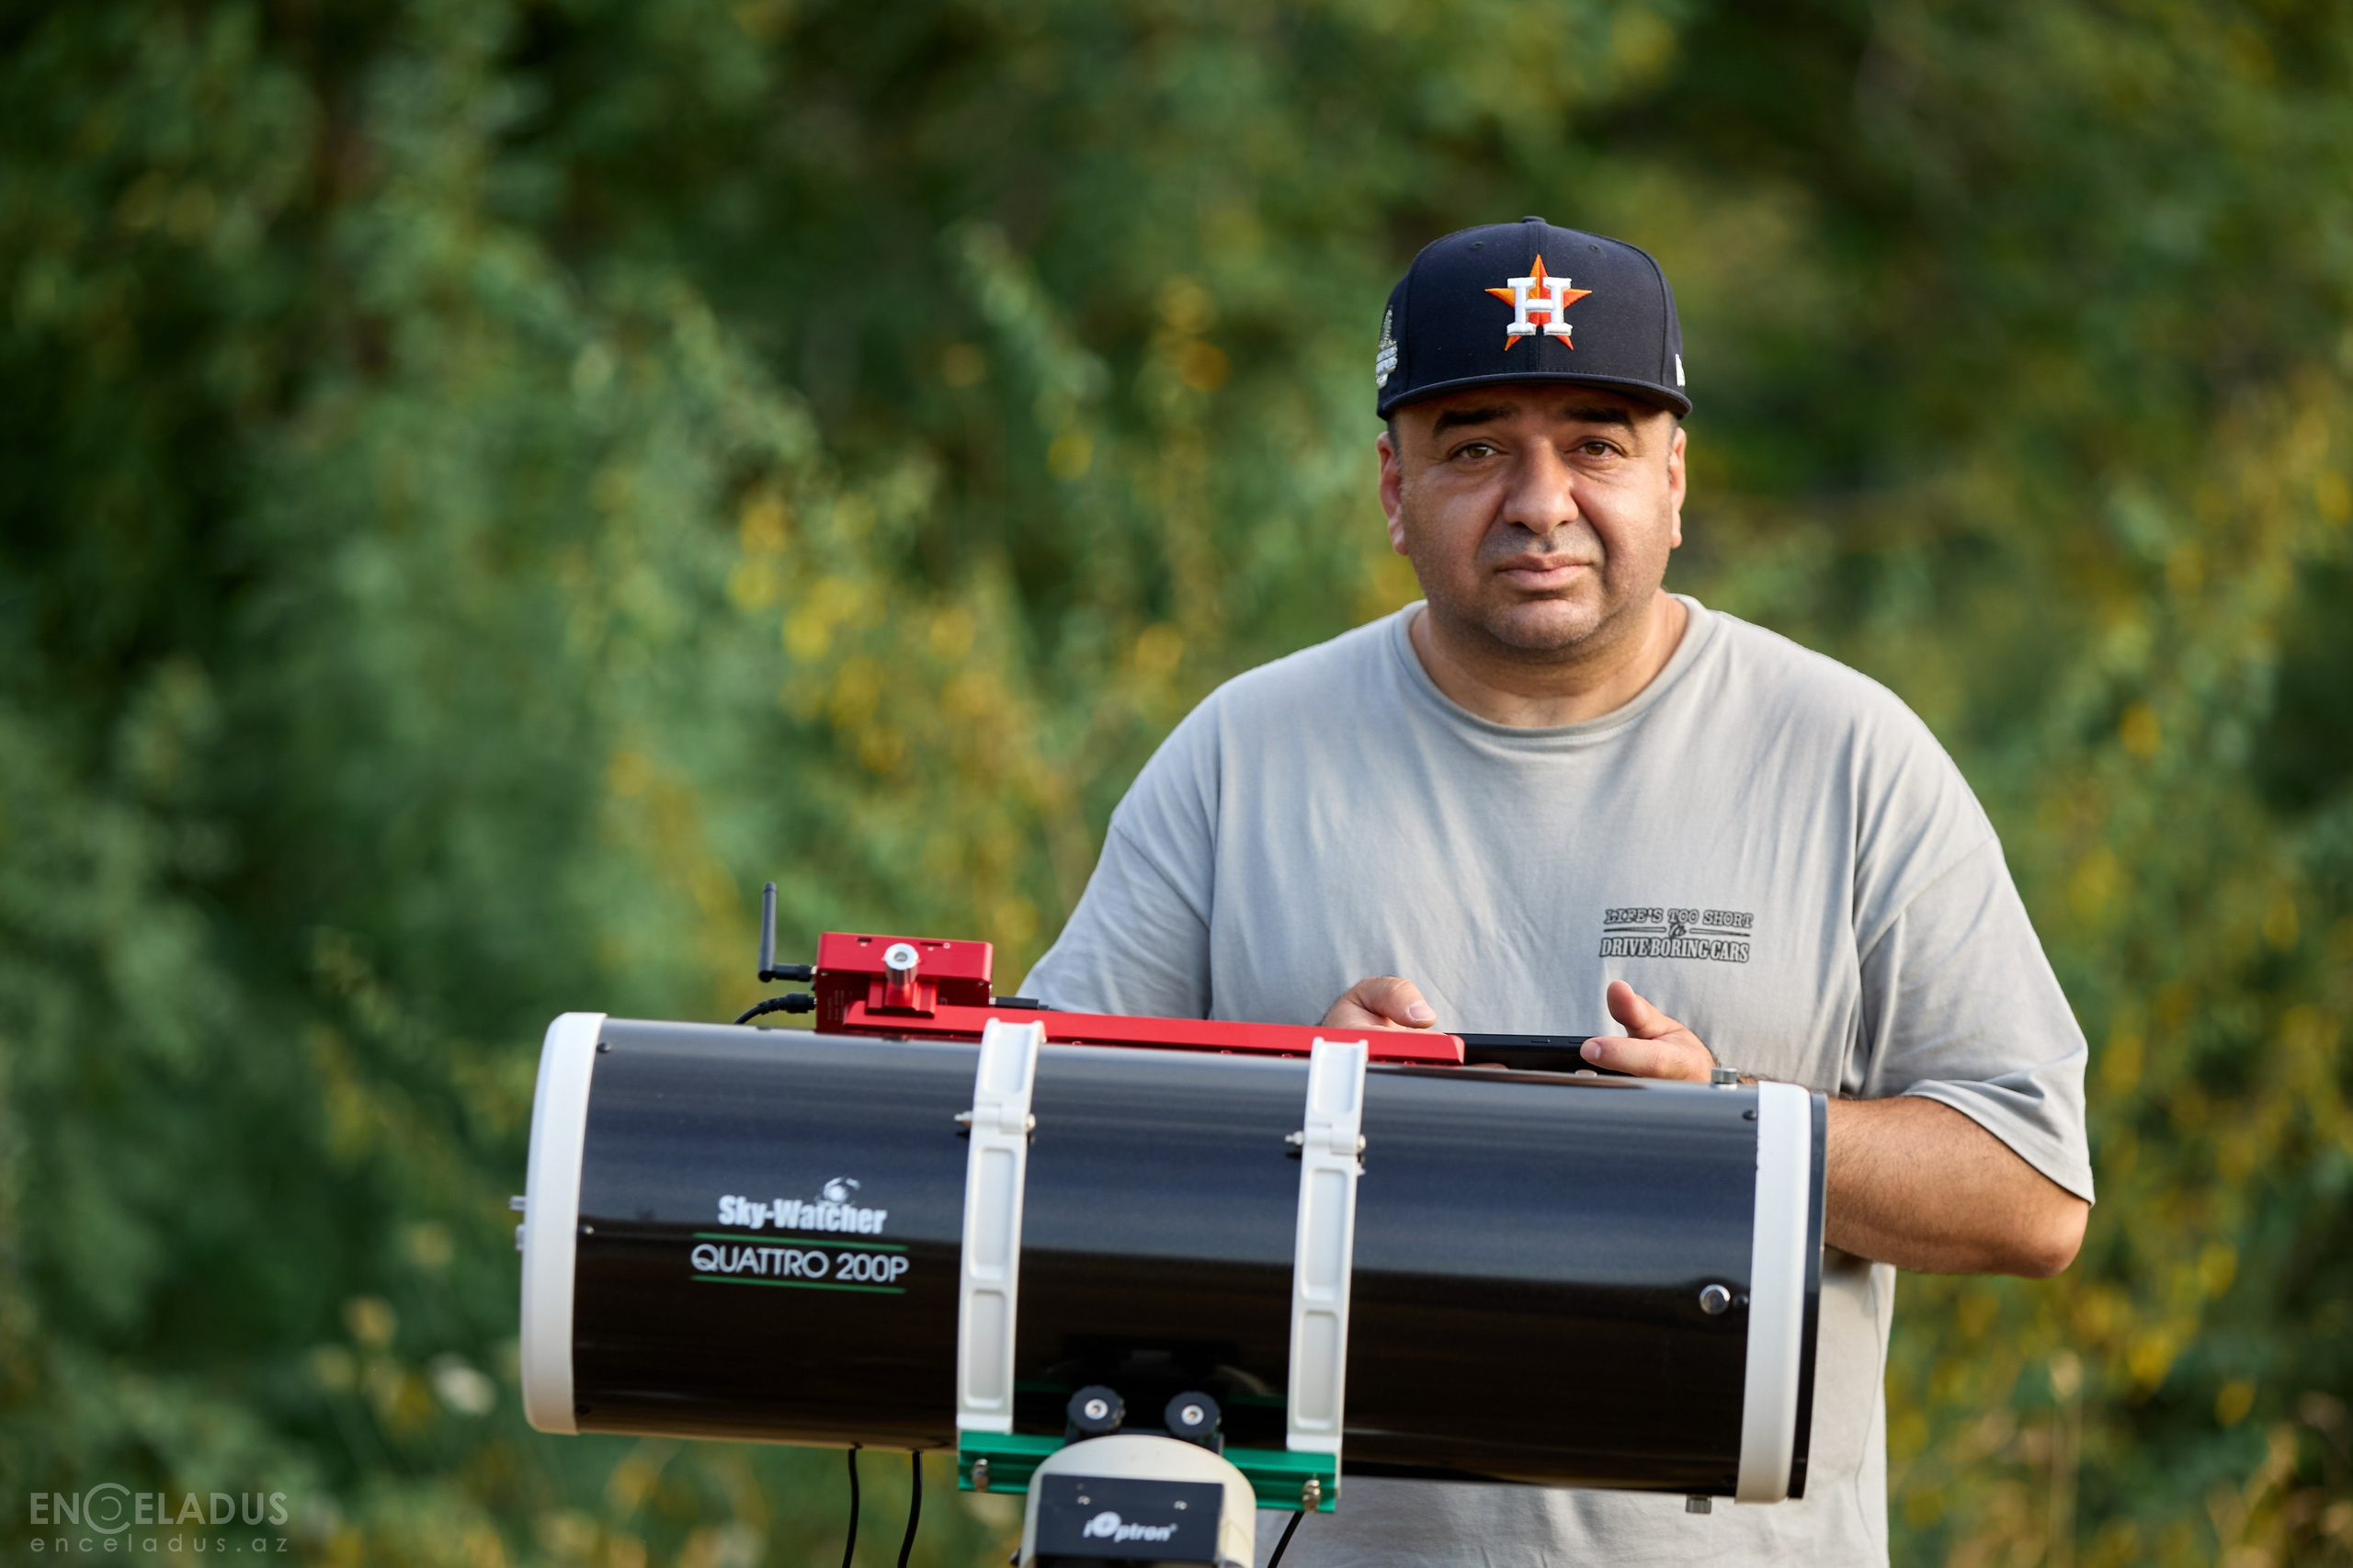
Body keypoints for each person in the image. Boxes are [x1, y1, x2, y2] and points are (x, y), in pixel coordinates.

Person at [1017, 216, 2093, 1567]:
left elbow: (2035, 1191)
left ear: (1676, 478)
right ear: (1393, 488)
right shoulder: (1240, 755)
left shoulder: (1845, 753)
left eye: (1596, 442)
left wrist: (1725, 1143)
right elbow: (1034, 1161)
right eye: (1473, 446)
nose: (1539, 498)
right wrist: (1291, 1110)